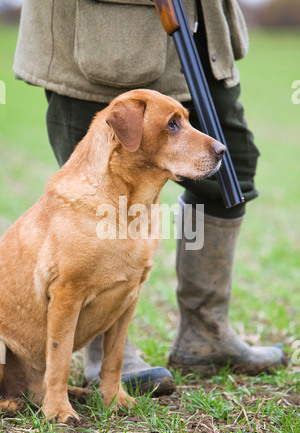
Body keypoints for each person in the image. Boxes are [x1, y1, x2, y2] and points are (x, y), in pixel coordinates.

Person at [12, 0, 286, 396]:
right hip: (99, 36)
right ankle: (99, 358)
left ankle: (205, 334)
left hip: (199, 33)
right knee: (96, 183)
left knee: (231, 167)